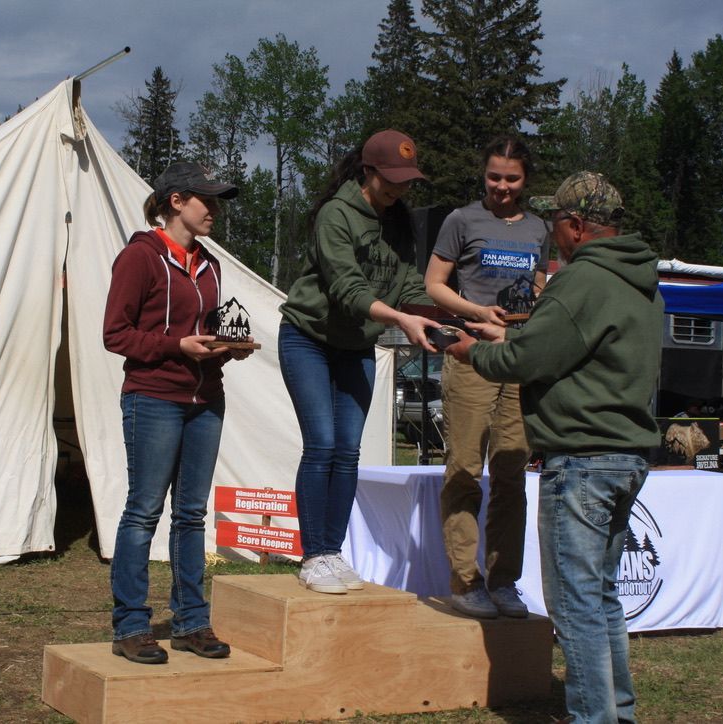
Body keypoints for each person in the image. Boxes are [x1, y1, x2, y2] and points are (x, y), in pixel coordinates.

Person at [445, 171, 665, 723]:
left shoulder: (580, 279)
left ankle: (594, 717)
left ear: (574, 226)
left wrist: (475, 351)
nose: (552, 236)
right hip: (626, 455)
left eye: (557, 224)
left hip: (583, 460)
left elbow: (527, 362)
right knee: (602, 599)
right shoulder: (640, 280)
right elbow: (572, 347)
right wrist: (515, 337)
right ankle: (617, 713)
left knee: (575, 606)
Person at [103, 161, 252, 664]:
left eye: (216, 201)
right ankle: (130, 627)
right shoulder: (140, 257)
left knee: (190, 515)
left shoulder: (209, 264)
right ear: (175, 201)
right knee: (143, 512)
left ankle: (190, 622)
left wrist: (226, 347)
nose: (214, 210)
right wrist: (177, 346)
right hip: (153, 398)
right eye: (206, 200)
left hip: (207, 399)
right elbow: (115, 335)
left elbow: (205, 330)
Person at [279, 129, 439, 595]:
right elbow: (349, 290)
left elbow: (410, 287)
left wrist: (445, 318)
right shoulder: (336, 215)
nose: (400, 189)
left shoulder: (398, 224)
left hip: (355, 347)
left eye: (408, 180)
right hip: (308, 338)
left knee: (349, 449)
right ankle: (313, 558)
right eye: (392, 178)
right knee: (323, 443)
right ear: (368, 171)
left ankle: (332, 551)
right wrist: (401, 321)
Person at [423, 135, 549, 619]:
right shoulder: (462, 220)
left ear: (524, 181)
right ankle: (466, 581)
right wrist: (478, 312)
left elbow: (538, 285)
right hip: (471, 354)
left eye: (511, 178)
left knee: (513, 473)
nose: (501, 186)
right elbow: (434, 283)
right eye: (493, 176)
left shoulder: (539, 228)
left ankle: (504, 581)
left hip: (518, 359)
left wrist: (525, 318)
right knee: (465, 469)